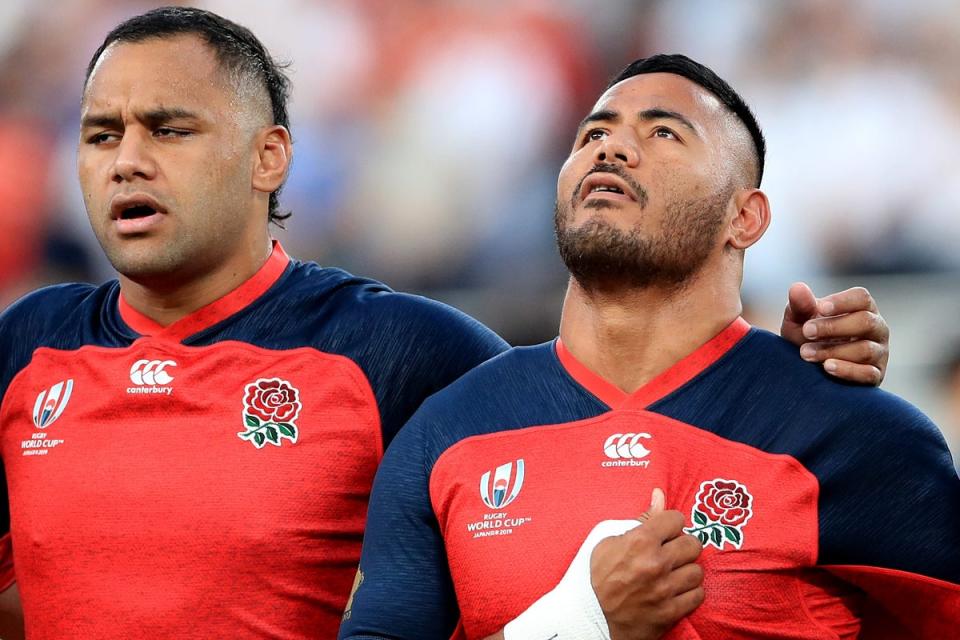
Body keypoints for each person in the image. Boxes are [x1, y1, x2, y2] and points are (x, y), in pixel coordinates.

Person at [0, 8, 888, 639]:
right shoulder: (25, 347)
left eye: (169, 128)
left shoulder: (396, 350)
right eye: (100, 133)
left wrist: (781, 386)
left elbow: (593, 430)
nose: (128, 161)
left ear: (270, 157)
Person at [339, 55, 960, 640]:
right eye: (591, 136)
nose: (610, 147)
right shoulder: (446, 432)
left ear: (745, 218)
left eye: (664, 133)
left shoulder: (848, 433)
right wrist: (580, 620)